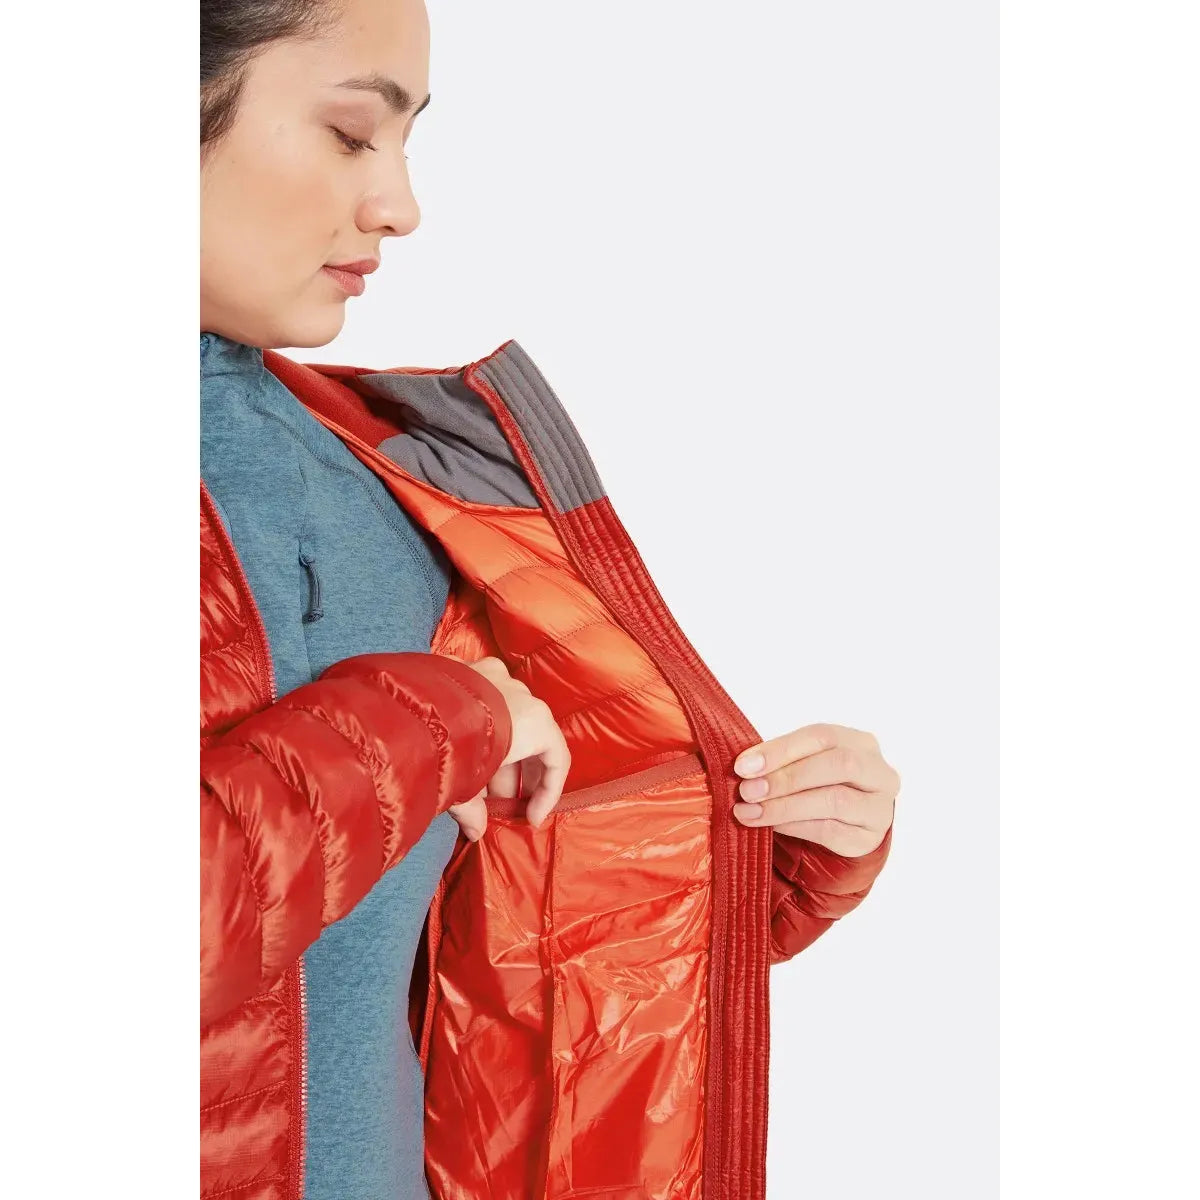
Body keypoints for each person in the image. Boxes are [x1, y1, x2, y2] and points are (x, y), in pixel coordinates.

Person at [199, 2, 900, 1199]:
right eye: (350, 133)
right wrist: (439, 714)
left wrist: (753, 860)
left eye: (409, 143)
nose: (399, 206)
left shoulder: (395, 480)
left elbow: (498, 951)